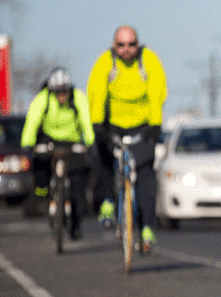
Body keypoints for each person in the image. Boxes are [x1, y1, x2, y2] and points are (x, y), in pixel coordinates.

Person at [86, 24, 169, 253]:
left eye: (131, 44)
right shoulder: (106, 62)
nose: (126, 49)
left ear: (138, 44)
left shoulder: (148, 60)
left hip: (142, 127)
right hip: (113, 125)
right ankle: (106, 203)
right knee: (101, 158)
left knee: (145, 175)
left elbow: (156, 93)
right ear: (114, 46)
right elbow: (97, 93)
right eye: (121, 45)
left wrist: (155, 125)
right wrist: (97, 125)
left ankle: (147, 229)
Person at [20, 67, 96, 239]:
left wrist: (90, 144)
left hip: (72, 142)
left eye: (65, 91)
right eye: (58, 92)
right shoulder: (43, 98)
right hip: (49, 140)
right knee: (40, 167)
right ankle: (44, 197)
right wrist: (27, 145)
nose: (62, 95)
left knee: (78, 183)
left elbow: (86, 121)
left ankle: (76, 223)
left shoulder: (78, 97)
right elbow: (32, 122)